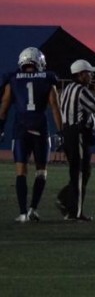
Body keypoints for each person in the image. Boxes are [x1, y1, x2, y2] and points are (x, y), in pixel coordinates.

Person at [0, 47, 63, 222]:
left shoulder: (12, 80)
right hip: (40, 128)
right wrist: (61, 132)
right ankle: (33, 209)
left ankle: (22, 213)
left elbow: (4, 106)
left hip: (20, 129)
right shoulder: (48, 79)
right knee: (41, 171)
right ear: (39, 62)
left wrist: (0, 128)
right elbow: (55, 107)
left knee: (21, 172)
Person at [56, 59, 95, 221]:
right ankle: (74, 211)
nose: (91, 75)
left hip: (70, 132)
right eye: (89, 73)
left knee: (80, 172)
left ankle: (66, 200)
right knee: (80, 173)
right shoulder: (81, 91)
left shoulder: (67, 89)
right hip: (78, 134)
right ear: (81, 74)